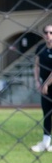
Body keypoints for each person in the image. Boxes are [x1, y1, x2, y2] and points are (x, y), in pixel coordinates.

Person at [32, 24, 52, 152]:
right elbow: (36, 66)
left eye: (51, 32)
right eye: (46, 32)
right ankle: (45, 143)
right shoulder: (40, 48)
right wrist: (37, 82)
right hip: (45, 88)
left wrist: (46, 84)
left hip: (48, 85)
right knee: (47, 114)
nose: (48, 35)